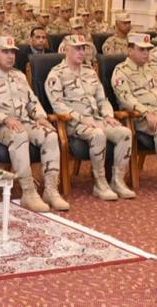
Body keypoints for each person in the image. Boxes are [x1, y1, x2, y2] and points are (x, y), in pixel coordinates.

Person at [0, 36, 68, 212]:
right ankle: (28, 192)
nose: (10, 56)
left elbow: (32, 101)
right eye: (5, 52)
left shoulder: (19, 75)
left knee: (50, 134)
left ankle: (51, 190)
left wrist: (40, 117)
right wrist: (4, 118)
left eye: (13, 52)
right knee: (19, 134)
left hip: (24, 122)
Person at [45, 35, 134, 200]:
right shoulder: (56, 74)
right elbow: (57, 105)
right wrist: (82, 118)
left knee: (125, 133)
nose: (82, 52)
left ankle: (118, 180)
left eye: (83, 48)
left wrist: (107, 115)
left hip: (96, 119)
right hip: (73, 123)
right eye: (77, 48)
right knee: (98, 134)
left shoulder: (90, 71)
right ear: (66, 50)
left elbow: (102, 99)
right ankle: (100, 183)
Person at [112, 33, 157, 194]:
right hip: (140, 119)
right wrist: (146, 112)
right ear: (129, 50)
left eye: (148, 50)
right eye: (141, 49)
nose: (146, 53)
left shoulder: (153, 69)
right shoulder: (121, 71)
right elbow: (125, 98)